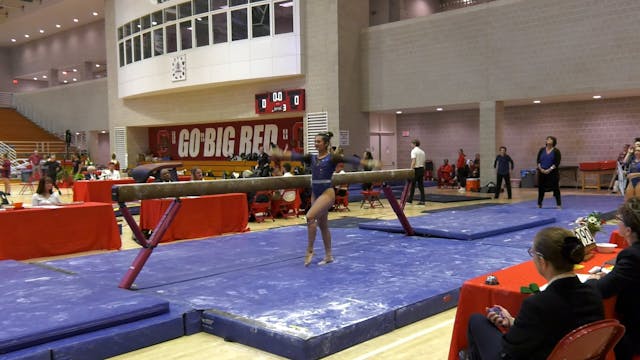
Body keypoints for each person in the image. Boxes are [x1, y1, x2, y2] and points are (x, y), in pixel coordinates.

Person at [464, 227, 604, 360]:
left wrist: (515, 327)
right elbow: (553, 329)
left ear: (542, 261)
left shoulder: (538, 304)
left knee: (476, 320)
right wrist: (513, 322)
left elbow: (509, 351)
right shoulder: (593, 293)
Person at [271, 131, 380, 266]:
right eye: (315, 141)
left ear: (326, 144)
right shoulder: (311, 158)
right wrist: (280, 153)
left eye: (319, 142)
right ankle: (329, 255)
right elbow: (295, 156)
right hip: (315, 193)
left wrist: (367, 162)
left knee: (310, 217)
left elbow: (349, 159)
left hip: (327, 193)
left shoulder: (332, 158)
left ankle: (310, 250)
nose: (316, 144)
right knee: (323, 226)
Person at [587, 198, 640, 359]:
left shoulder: (632, 256)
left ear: (628, 230)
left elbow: (603, 289)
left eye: (619, 220)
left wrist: (591, 279)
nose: (617, 223)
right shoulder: (631, 255)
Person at [536, 136, 562, 208]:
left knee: (556, 189)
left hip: (552, 173)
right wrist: (541, 169)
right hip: (542, 172)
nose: (548, 140)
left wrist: (549, 170)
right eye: (547, 139)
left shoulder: (556, 151)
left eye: (550, 139)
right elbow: (538, 161)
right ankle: (539, 204)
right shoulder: (541, 150)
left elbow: (557, 163)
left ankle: (558, 204)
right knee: (541, 189)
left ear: (553, 141)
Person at [409, 139, 426, 205]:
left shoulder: (413, 151)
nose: (410, 145)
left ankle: (410, 199)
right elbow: (423, 162)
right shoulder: (422, 152)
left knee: (412, 185)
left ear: (415, 144)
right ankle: (423, 200)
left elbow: (413, 161)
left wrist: (410, 170)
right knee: (421, 185)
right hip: (422, 169)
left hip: (416, 169)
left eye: (411, 143)